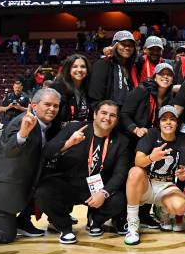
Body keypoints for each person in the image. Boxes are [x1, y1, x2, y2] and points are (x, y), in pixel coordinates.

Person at [36, 100, 130, 244]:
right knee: (44, 191)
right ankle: (65, 228)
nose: (107, 118)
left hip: (96, 188)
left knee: (119, 200)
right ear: (95, 114)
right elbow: (47, 152)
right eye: (104, 113)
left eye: (113, 115)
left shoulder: (121, 141)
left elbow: (120, 173)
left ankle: (95, 221)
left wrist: (104, 193)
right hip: (69, 184)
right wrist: (68, 144)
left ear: (117, 120)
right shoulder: (75, 128)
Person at [0, 89, 60, 243]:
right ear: (34, 106)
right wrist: (22, 134)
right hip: (0, 193)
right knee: (5, 235)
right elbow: (8, 151)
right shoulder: (22, 121)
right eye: (48, 104)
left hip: (15, 189)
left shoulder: (45, 125)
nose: (52, 109)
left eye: (56, 106)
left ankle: (23, 222)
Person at [124, 106, 185, 245]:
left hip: (166, 185)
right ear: (159, 123)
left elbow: (183, 174)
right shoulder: (151, 135)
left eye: (172, 119)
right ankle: (132, 224)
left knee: (180, 207)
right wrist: (152, 157)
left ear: (177, 123)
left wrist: (183, 175)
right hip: (147, 185)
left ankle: (161, 210)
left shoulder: (182, 141)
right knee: (135, 172)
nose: (168, 122)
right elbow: (138, 161)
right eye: (164, 119)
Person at [89, 31, 138, 107]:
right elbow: (95, 97)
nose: (127, 47)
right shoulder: (103, 64)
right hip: (108, 115)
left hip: (127, 114)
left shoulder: (133, 66)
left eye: (131, 45)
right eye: (123, 44)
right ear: (114, 45)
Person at [50, 54, 92, 132]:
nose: (79, 70)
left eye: (83, 66)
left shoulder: (90, 89)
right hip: (60, 135)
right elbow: (51, 117)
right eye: (75, 66)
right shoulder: (57, 87)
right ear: (68, 70)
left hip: (84, 134)